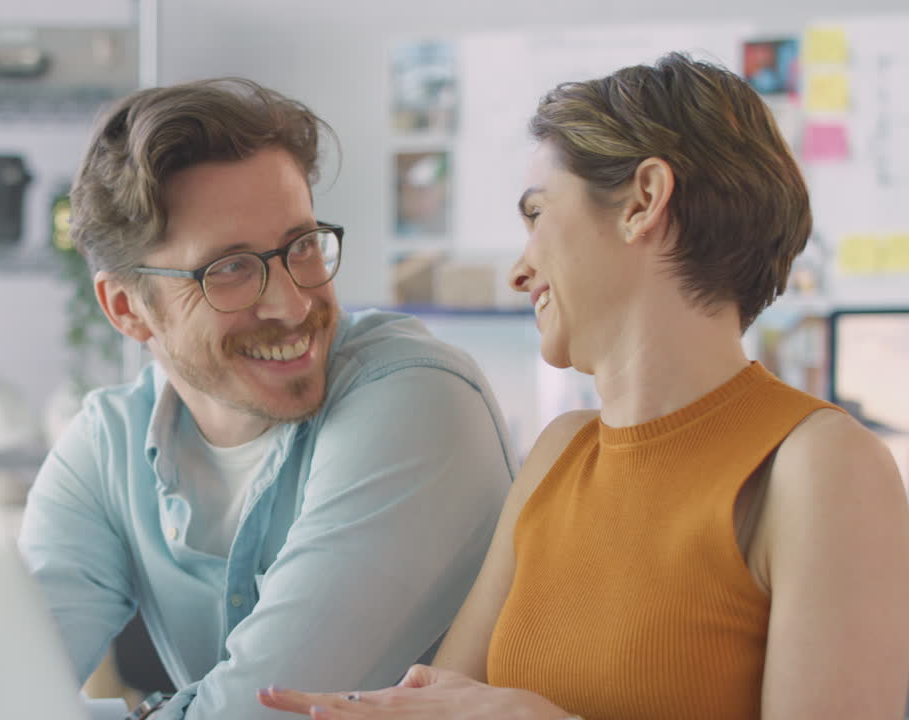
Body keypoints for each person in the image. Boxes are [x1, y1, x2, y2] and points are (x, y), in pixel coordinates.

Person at [258, 52, 909, 720]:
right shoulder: (559, 453)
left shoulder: (819, 466)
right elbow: (443, 704)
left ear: (643, 202)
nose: (519, 270)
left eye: (536, 214)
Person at [17, 78, 517, 720]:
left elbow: (259, 713)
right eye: (230, 268)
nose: (293, 302)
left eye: (301, 246)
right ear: (127, 308)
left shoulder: (417, 398)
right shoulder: (107, 447)